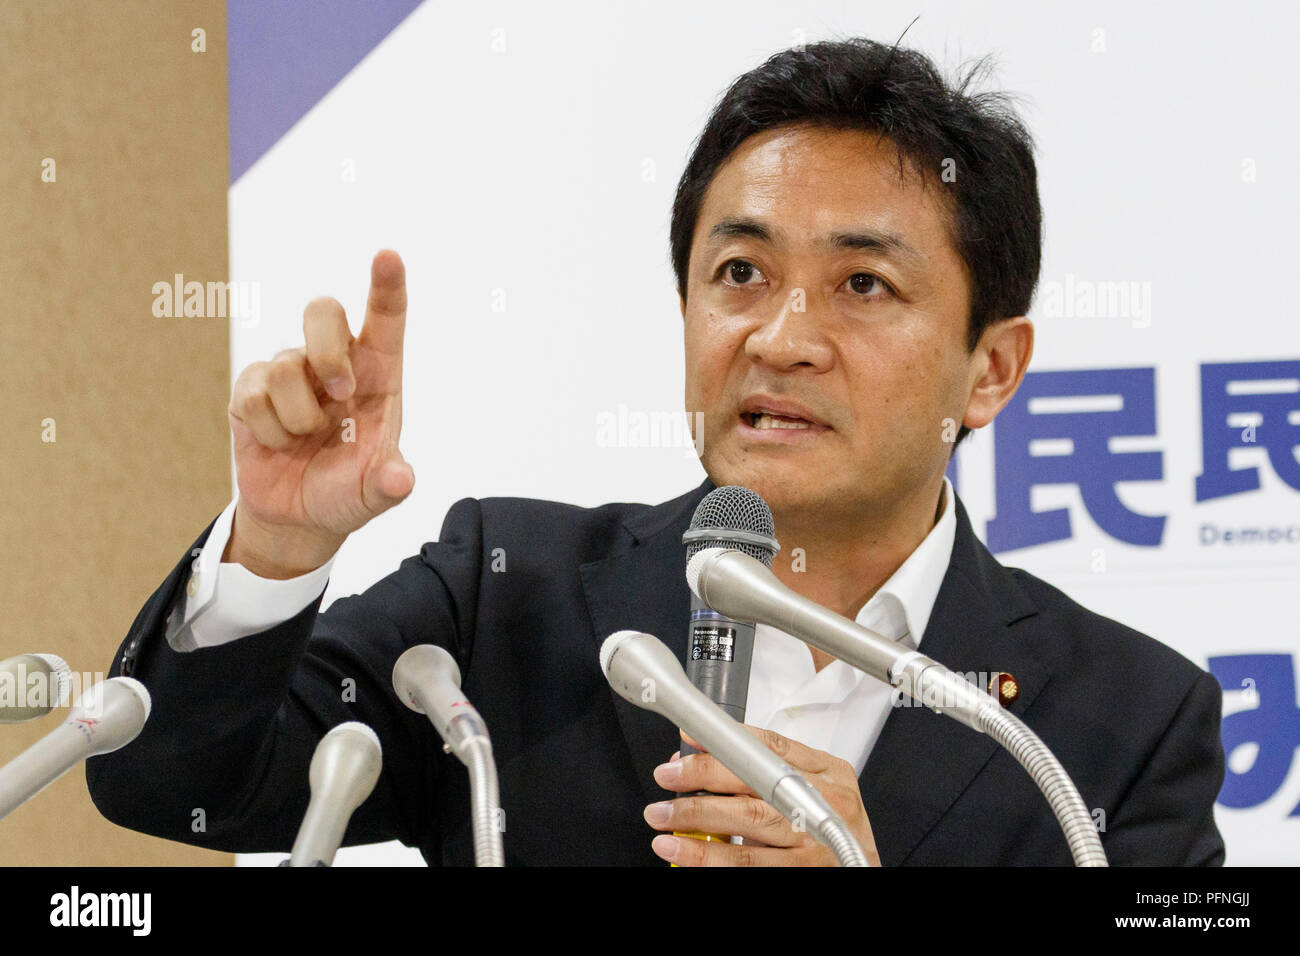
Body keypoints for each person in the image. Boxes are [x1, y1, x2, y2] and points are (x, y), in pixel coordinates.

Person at [86, 37, 1226, 866]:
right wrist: (276, 549)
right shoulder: (507, 593)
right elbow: (180, 788)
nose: (781, 337)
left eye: (862, 284)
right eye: (739, 273)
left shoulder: (1124, 717)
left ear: (991, 368)